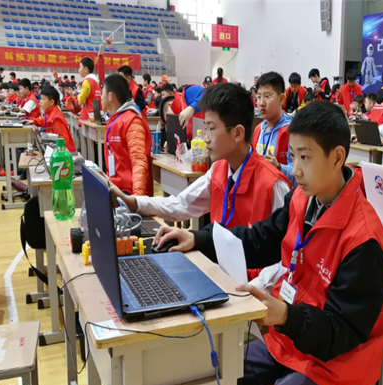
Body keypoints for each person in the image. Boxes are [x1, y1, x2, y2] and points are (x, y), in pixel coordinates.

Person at [152, 100, 383, 385]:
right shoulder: (302, 199)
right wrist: (199, 239)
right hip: (291, 341)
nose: (296, 170)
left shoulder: (365, 242)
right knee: (208, 377)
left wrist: (285, 316)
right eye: (292, 156)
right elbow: (261, 239)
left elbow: (342, 332)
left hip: (337, 365)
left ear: (337, 157)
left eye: (305, 157)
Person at [112, 83, 291, 288]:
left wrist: (251, 290)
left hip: (252, 290)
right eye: (205, 128)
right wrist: (134, 202)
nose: (205, 138)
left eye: (211, 129)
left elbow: (284, 259)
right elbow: (182, 205)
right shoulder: (219, 170)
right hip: (216, 276)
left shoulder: (274, 184)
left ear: (238, 133)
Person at [101, 74, 153, 196]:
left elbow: (139, 161)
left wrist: (137, 199)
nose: (100, 97)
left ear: (110, 96)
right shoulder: (114, 120)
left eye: (102, 92)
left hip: (128, 193)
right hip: (115, 187)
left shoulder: (132, 122)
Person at [252, 72, 295, 186]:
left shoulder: (291, 132)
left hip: (283, 192)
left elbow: (300, 171)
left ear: (281, 99)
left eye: (267, 96)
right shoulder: (258, 130)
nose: (261, 103)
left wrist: (279, 167)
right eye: (258, 97)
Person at [24, 86, 76, 152]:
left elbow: (64, 141)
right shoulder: (50, 113)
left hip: (65, 154)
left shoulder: (56, 118)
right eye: (40, 99)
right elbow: (44, 120)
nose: (40, 101)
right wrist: (34, 121)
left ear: (51, 102)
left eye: (43, 99)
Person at [78, 57, 102, 123]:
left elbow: (81, 100)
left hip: (89, 114)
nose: (79, 70)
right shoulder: (95, 81)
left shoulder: (87, 81)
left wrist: (78, 95)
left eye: (80, 67)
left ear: (86, 69)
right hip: (98, 113)